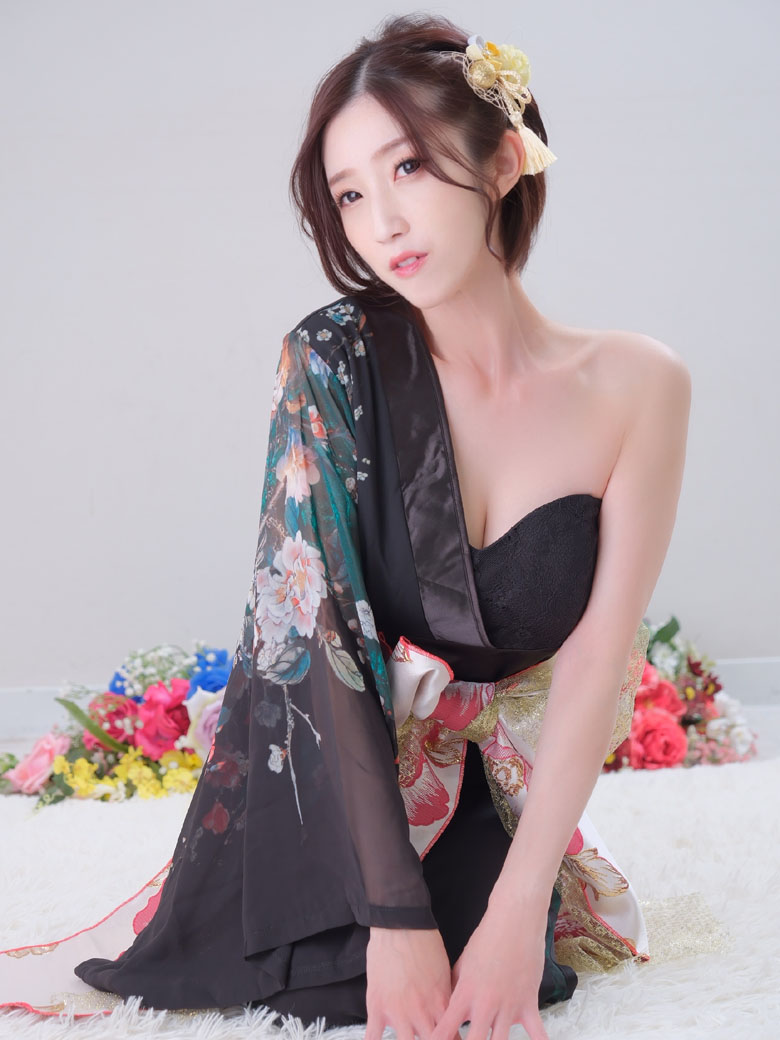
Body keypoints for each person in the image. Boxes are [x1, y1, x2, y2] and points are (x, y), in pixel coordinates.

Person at [0, 13, 690, 1040]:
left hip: (487, 791)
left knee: (515, 978)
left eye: (408, 167)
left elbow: (596, 661)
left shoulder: (640, 384)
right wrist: (393, 917)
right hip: (330, 774)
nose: (383, 222)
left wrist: (516, 908)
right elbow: (311, 634)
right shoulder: (332, 360)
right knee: (330, 982)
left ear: (503, 161)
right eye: (351, 194)